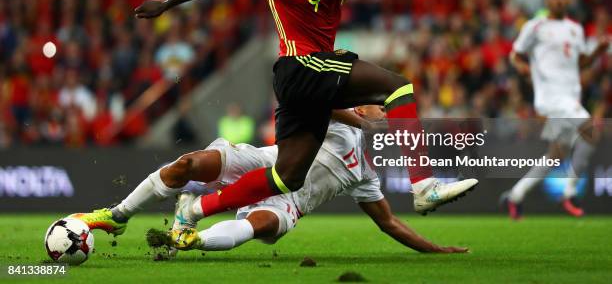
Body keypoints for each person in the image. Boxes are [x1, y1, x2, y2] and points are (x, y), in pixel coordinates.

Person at [132, 0, 477, 220]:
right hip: (299, 65)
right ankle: (424, 185)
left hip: (311, 75)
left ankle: (194, 209)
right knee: (398, 87)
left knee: (288, 178)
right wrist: (166, 3)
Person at [73, 107, 468, 254]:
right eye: (376, 106)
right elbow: (321, 100)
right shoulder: (337, 117)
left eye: (384, 110)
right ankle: (117, 214)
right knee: (188, 165)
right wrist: (360, 117)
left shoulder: (365, 172)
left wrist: (436, 249)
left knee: (259, 227)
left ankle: (188, 237)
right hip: (259, 163)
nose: (382, 113)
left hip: (286, 203)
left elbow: (389, 222)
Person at [502, 0, 610, 219]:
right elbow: (515, 54)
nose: (559, 0)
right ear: (547, 0)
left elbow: (581, 63)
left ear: (568, 0)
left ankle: (515, 195)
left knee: (556, 154)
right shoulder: (535, 26)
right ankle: (569, 192)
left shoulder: (575, 29)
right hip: (550, 96)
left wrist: (598, 52)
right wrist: (522, 68)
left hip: (570, 95)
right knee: (592, 133)